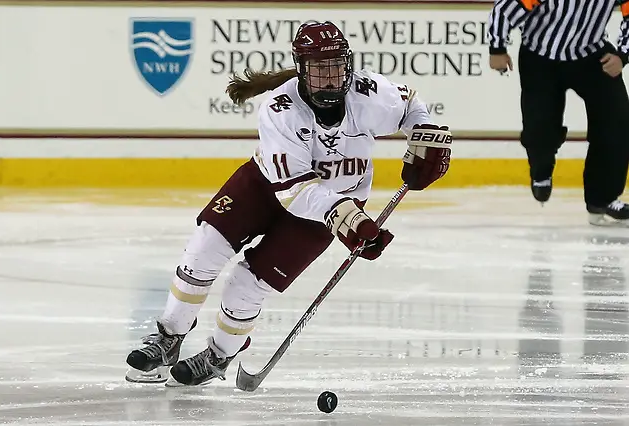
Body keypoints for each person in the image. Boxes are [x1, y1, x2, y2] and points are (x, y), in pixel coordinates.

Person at [124, 21, 452, 386]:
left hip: (332, 207)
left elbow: (410, 104)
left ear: (348, 65)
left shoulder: (370, 94)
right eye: (318, 69)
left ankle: (218, 355)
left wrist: (426, 137)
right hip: (265, 186)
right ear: (301, 69)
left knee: (248, 285)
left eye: (336, 67)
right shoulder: (280, 109)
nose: (329, 78)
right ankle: (169, 338)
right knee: (203, 250)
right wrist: (349, 220)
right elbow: (294, 191)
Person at [488, 0, 629, 226]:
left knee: (616, 122)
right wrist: (497, 48)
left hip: (591, 55)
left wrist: (623, 55)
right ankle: (541, 170)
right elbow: (505, 10)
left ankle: (602, 199)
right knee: (540, 128)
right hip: (540, 57)